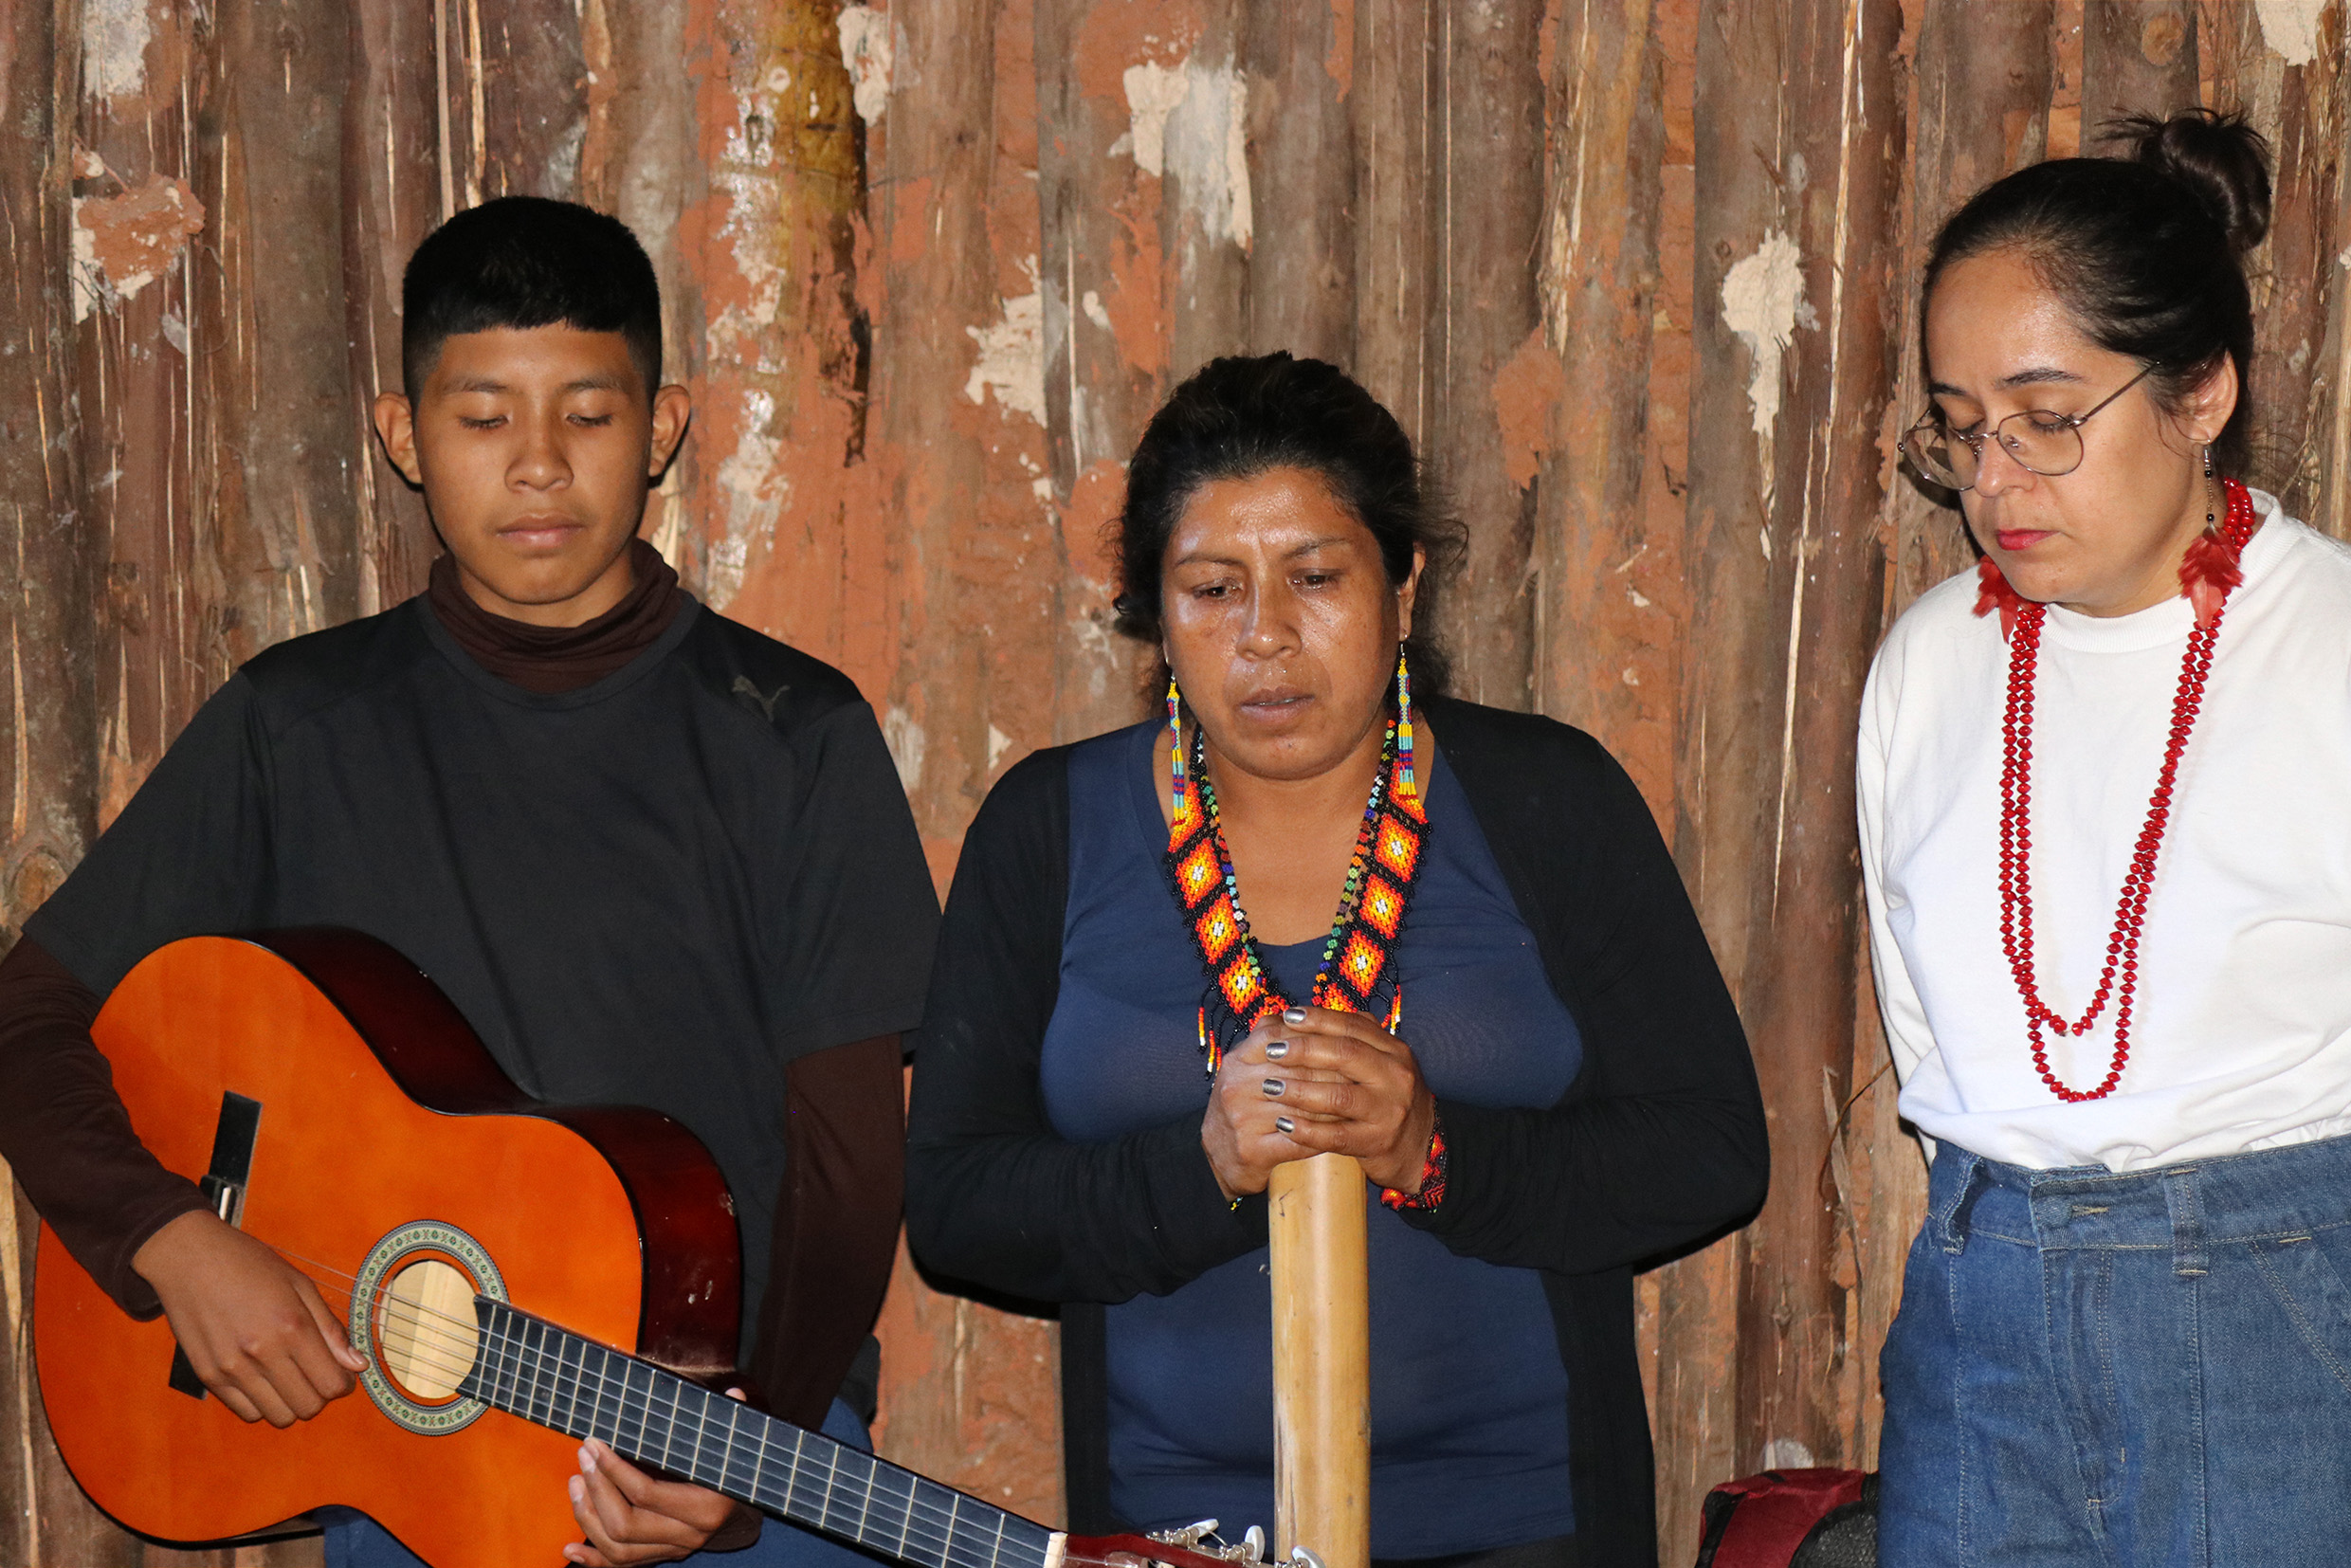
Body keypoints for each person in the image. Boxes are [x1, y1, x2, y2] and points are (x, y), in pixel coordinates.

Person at [0, 197, 939, 1567]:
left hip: (719, 1454)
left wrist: (754, 1453)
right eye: (485, 416)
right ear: (403, 436)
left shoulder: (793, 732)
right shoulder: (296, 723)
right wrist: (173, 1239)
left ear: (664, 424)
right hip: (416, 1459)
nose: (541, 467)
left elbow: (850, 1161)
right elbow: (27, 1019)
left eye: (590, 414)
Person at [904, 353, 1768, 1568]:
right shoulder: (1046, 829)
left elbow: (1707, 1152)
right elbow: (955, 1208)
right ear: (1155, 616)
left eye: (1314, 576)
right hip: (1175, 1531)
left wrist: (1434, 1150)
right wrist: (1195, 1166)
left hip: (1522, 1522)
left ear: (1403, 586)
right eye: (1210, 589)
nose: (1265, 635)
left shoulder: (1544, 800)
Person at [1863, 110, 2351, 1565]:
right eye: (1960, 427)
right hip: (1976, 1300)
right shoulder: (1931, 664)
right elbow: (1928, 1029)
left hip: (2273, 1303)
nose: (1998, 480)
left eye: (2047, 416)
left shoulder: (2326, 646)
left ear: (2200, 392)